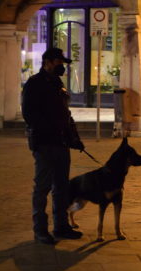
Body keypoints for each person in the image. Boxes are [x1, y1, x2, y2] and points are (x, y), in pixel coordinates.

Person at [22, 47, 85, 244]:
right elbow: (29, 115)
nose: (62, 67)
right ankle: (40, 230)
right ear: (48, 62)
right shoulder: (35, 84)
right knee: (42, 188)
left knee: (62, 187)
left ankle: (61, 226)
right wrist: (50, 128)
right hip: (44, 143)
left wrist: (74, 138)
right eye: (59, 62)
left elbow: (66, 114)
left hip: (61, 142)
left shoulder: (58, 84)